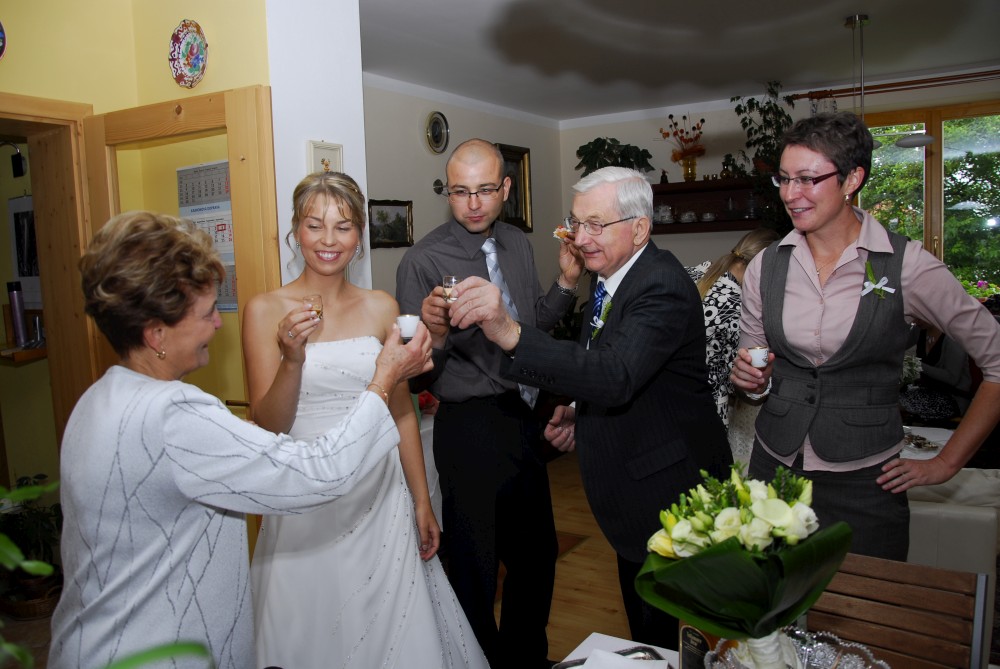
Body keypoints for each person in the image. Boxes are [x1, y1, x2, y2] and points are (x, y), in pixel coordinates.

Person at [48, 211, 433, 669]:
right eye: (207, 313)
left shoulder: (95, 400)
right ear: (156, 334)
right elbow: (320, 474)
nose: (218, 324)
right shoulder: (175, 417)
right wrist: (384, 377)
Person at [451, 166, 732, 650]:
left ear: (639, 228)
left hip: (671, 501)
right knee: (652, 636)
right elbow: (620, 366)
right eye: (576, 223)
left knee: (674, 640)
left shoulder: (659, 284)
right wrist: (580, 409)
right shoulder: (612, 280)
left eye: (595, 225)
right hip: (640, 500)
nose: (580, 239)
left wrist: (511, 332)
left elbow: (617, 374)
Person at [242, 172, 488, 668]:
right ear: (296, 230)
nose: (328, 240)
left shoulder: (381, 307)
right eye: (314, 225)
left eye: (343, 226)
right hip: (304, 494)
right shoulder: (264, 310)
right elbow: (269, 426)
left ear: (359, 236)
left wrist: (422, 500)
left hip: (379, 494)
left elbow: (400, 412)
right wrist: (292, 359)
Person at [730, 111, 1000, 560]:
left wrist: (947, 461)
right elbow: (753, 369)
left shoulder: (908, 264)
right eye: (784, 179)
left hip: (866, 480)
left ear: (852, 179)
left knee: (865, 599)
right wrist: (750, 380)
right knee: (768, 594)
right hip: (774, 470)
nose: (790, 194)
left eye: (807, 179)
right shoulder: (766, 265)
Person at [395, 138, 583, 669]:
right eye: (460, 191)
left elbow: (531, 327)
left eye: (484, 190)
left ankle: (524, 660)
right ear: (447, 193)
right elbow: (412, 374)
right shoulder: (423, 260)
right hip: (470, 424)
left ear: (505, 189)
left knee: (536, 556)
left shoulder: (517, 242)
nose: (473, 203)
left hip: (522, 418)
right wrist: (435, 334)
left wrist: (567, 282)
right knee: (474, 568)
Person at [685, 227, 779, 445]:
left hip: (669, 402)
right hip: (705, 413)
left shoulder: (694, 272)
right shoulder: (738, 307)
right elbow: (738, 380)